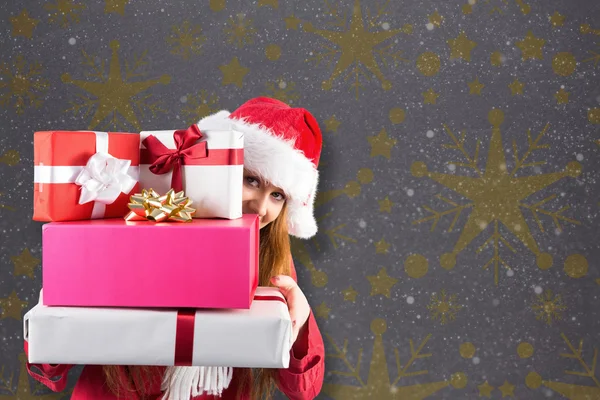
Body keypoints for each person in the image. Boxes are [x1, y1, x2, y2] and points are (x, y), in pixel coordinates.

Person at [25, 97, 326, 399]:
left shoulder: (272, 261)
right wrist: (59, 303)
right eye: (251, 180)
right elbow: (51, 361)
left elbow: (303, 389)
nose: (260, 206)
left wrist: (299, 327)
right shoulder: (145, 224)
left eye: (277, 195)